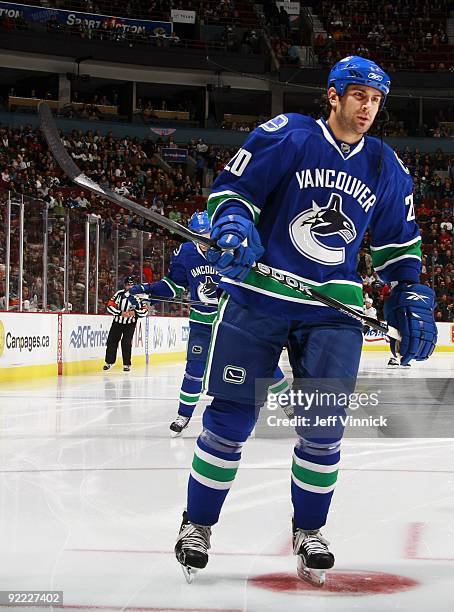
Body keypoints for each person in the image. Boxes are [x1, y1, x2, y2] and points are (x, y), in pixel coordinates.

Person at [174, 56, 437, 585]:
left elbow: (397, 252)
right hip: (258, 298)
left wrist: (409, 293)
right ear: (334, 95)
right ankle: (197, 525)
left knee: (322, 430)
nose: (367, 107)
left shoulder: (386, 166)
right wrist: (232, 226)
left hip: (331, 310)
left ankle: (309, 531)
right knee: (229, 419)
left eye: (376, 99)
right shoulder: (288, 136)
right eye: (359, 95)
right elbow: (234, 194)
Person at [127, 211, 290, 435]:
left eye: (207, 235)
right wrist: (146, 290)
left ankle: (292, 407)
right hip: (202, 322)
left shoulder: (235, 248)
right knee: (194, 368)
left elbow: (252, 281)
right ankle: (183, 415)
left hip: (234, 321)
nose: (204, 242)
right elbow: (173, 286)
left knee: (263, 364)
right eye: (198, 237)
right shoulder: (185, 253)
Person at [103, 276, 148, 372]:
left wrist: (135, 313)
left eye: (131, 285)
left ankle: (127, 364)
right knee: (112, 341)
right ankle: (109, 362)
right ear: (124, 285)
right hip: (117, 322)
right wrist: (120, 313)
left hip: (130, 323)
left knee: (126, 342)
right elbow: (109, 306)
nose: (130, 287)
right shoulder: (119, 294)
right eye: (128, 285)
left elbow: (145, 311)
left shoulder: (139, 296)